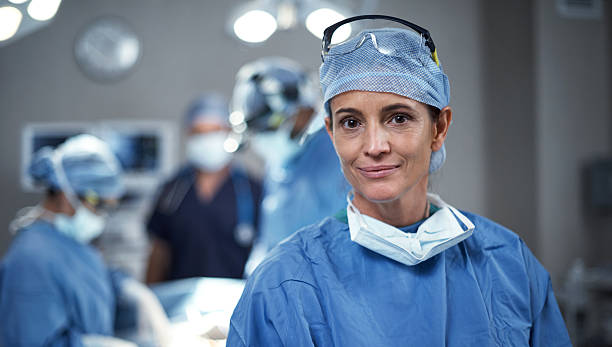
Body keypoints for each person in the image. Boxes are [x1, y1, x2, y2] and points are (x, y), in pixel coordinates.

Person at [227, 15, 571, 346]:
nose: (375, 146)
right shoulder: (282, 284)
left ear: (439, 128)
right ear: (330, 133)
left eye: (399, 118)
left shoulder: (507, 263)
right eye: (351, 123)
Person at [0, 134, 171, 347]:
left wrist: (131, 290)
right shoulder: (30, 260)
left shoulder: (67, 242)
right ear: (66, 195)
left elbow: (88, 275)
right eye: (99, 206)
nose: (102, 216)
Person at [230, 57, 349, 272]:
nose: (264, 140)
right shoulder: (282, 162)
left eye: (269, 129)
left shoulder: (339, 154)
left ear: (302, 110)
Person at [145, 93, 263, 283]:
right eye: (198, 132)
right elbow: (159, 252)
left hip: (237, 301)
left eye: (214, 130)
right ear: (188, 136)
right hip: (178, 302)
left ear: (229, 132)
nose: (206, 139)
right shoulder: (172, 192)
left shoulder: (253, 191)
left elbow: (266, 253)